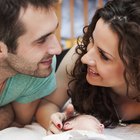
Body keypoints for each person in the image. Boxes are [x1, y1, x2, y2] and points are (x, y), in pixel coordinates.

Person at [46, 0, 140, 134]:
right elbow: (48, 103)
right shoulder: (77, 57)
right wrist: (57, 124)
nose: (85, 58)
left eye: (104, 56)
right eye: (91, 40)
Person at [0, 0, 62, 130]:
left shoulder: (40, 67)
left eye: (53, 32)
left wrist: (8, 115)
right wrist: (7, 113)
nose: (57, 50)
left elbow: (19, 122)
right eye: (41, 40)